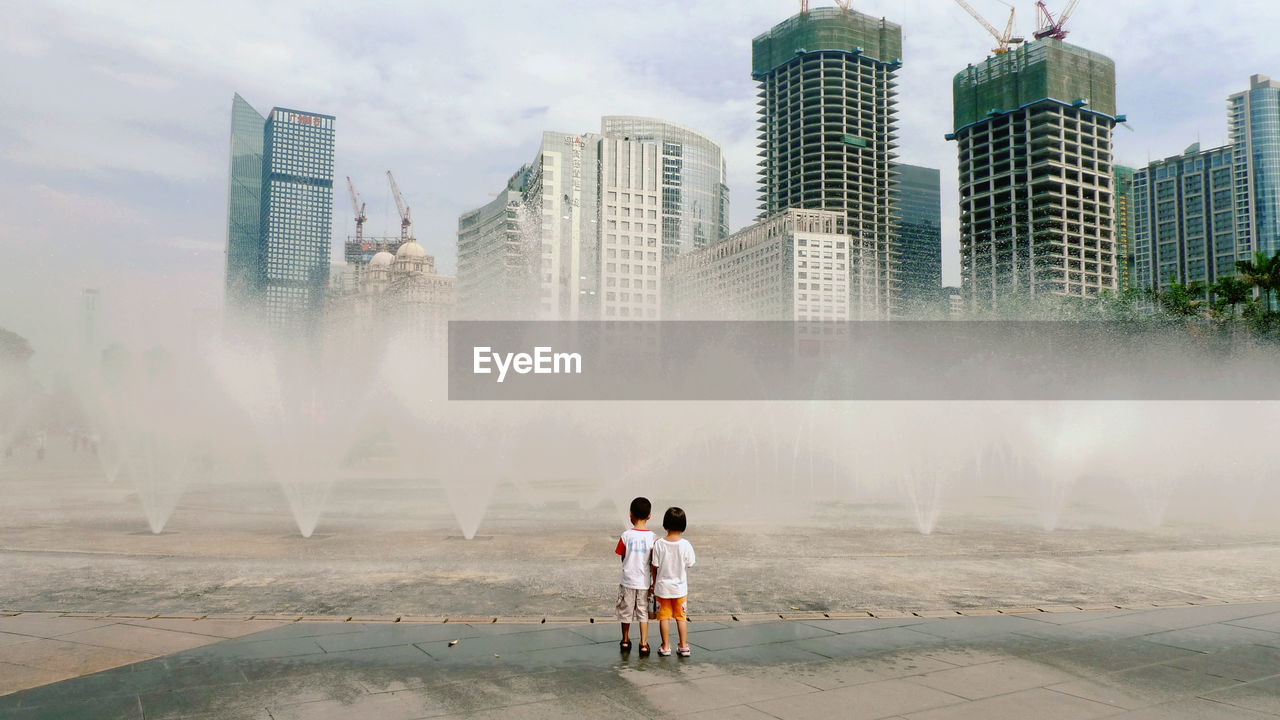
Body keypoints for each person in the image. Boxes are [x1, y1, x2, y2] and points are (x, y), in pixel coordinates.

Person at [650, 506, 696, 657]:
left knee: (664, 617)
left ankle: (665, 646)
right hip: (680, 589)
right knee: (681, 617)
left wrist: (654, 583)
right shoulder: (686, 545)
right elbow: (690, 563)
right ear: (683, 525)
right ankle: (683, 646)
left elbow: (654, 565)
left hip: (662, 588)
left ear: (665, 524)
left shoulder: (659, 544)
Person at [614, 496, 656, 656]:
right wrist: (653, 582)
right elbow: (653, 562)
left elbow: (622, 556)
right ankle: (644, 644)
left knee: (626, 611)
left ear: (630, 514)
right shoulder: (653, 538)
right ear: (649, 516)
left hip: (627, 581)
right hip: (644, 581)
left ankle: (625, 640)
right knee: (643, 612)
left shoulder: (626, 536)